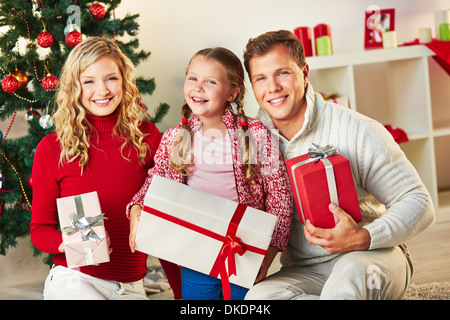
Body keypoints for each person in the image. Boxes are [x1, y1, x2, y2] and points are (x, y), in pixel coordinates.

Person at [242, 30, 435, 300]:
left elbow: (419, 202)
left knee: (349, 277)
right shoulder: (251, 142)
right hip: (304, 270)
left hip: (370, 256)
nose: (272, 87)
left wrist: (364, 237)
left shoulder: (356, 129)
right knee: (258, 299)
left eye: (282, 73)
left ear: (305, 73)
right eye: (260, 78)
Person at [127, 47, 293, 300]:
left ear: (232, 92)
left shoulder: (257, 134)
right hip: (194, 252)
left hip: (244, 253)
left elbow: (279, 195)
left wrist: (269, 250)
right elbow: (153, 184)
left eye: (210, 81)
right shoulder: (174, 138)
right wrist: (136, 209)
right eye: (192, 78)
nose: (198, 87)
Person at [30, 37, 163, 300]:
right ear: (74, 87)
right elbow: (40, 229)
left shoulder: (148, 137)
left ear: (124, 81)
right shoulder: (52, 147)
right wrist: (68, 243)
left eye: (111, 78)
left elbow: (166, 215)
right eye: (89, 81)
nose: (102, 91)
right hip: (75, 277)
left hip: (132, 285)